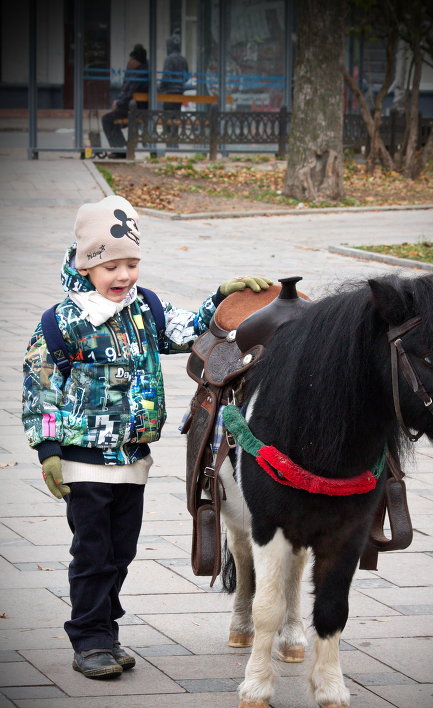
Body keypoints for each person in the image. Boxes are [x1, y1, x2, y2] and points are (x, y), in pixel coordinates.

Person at [22, 194, 271, 680]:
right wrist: (48, 449)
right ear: (87, 267)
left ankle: (107, 633)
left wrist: (223, 298)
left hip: (133, 459)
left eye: (132, 264)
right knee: (92, 553)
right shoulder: (62, 322)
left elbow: (186, 331)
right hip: (82, 459)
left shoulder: (146, 308)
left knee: (121, 552)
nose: (124, 276)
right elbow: (41, 387)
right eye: (111, 266)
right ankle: (89, 638)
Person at [102, 44, 148, 158]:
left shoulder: (140, 74)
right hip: (132, 108)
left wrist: (118, 103)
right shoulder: (137, 72)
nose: (129, 61)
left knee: (107, 119)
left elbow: (130, 93)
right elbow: (126, 90)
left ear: (138, 61)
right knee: (111, 120)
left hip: (134, 110)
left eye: (132, 59)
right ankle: (120, 150)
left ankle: (120, 151)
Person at [159, 34, 189, 111]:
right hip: (180, 91)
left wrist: (161, 88)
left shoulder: (169, 59)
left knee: (168, 116)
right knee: (176, 114)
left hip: (169, 92)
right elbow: (186, 76)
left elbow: (166, 76)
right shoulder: (183, 59)